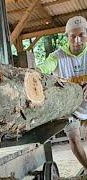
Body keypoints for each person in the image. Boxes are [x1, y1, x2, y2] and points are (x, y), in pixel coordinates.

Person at [37, 16, 87, 170]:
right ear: (67, 37)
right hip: (70, 109)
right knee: (74, 139)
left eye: (81, 35)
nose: (77, 40)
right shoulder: (57, 56)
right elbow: (44, 68)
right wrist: (36, 72)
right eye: (73, 36)